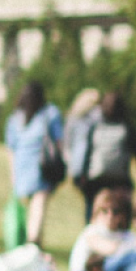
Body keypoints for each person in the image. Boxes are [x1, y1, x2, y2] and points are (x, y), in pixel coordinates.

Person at [3, 81, 65, 248]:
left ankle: (34, 244)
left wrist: (13, 174)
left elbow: (11, 148)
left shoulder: (15, 118)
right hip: (42, 167)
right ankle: (33, 242)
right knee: (38, 205)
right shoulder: (50, 113)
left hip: (22, 169)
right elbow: (59, 141)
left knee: (30, 209)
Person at [77, 91, 136, 218]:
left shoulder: (124, 128)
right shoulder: (99, 128)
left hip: (110, 181)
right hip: (104, 181)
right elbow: (88, 153)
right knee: (100, 216)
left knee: (113, 215)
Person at [59, 88, 102, 222]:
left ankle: (90, 228)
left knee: (90, 202)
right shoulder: (97, 116)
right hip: (92, 166)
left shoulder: (72, 118)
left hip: (77, 167)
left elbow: (66, 144)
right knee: (95, 202)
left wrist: (71, 166)